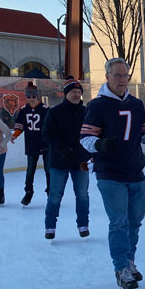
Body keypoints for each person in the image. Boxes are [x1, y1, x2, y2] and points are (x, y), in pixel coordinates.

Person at [79, 58, 145, 289]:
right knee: (119, 222)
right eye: (117, 75)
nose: (122, 80)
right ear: (107, 77)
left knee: (135, 223)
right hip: (110, 175)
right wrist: (100, 144)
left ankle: (129, 261)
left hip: (136, 172)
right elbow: (84, 138)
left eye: (125, 75)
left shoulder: (136, 104)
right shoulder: (97, 106)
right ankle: (121, 269)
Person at [42, 76, 91, 239]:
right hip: (59, 161)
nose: (76, 95)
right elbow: (47, 134)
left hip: (81, 161)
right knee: (55, 195)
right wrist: (63, 149)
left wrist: (90, 153)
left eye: (78, 92)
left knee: (82, 194)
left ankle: (83, 224)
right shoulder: (55, 112)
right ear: (65, 94)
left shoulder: (87, 112)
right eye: (73, 92)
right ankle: (50, 226)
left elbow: (93, 133)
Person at [11, 82, 50, 206]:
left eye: (33, 96)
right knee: (30, 171)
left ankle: (51, 192)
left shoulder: (45, 109)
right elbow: (20, 126)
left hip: (45, 145)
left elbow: (52, 126)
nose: (31, 99)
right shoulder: (24, 110)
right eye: (29, 97)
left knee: (49, 170)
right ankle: (28, 192)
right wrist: (15, 135)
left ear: (37, 96)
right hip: (31, 145)